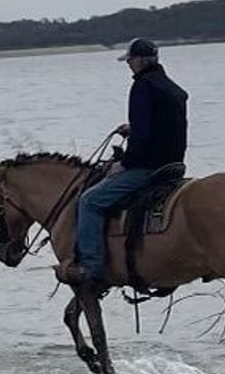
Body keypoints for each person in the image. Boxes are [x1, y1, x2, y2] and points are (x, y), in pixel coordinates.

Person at [54, 38, 189, 287]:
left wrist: (125, 163)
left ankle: (91, 268)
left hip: (148, 167)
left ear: (139, 61)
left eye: (130, 60)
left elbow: (146, 136)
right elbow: (158, 128)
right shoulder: (171, 88)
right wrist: (133, 129)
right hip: (174, 165)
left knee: (90, 200)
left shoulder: (142, 87)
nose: (128, 64)